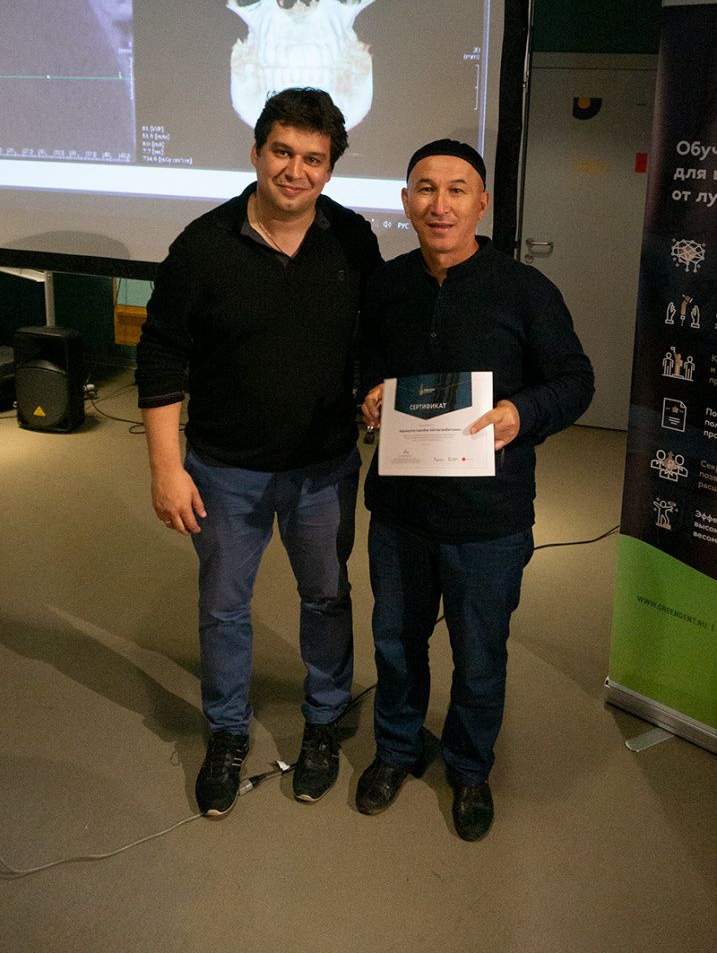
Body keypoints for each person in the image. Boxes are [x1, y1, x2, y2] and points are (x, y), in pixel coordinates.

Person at [135, 87, 381, 817]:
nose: (295, 171)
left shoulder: (353, 240)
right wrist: (166, 468)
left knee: (327, 598)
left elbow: (374, 337)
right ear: (255, 153)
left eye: (313, 158)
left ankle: (324, 722)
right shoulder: (201, 246)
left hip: (323, 468)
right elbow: (160, 357)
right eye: (282, 152)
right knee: (223, 608)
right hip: (223, 470)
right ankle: (227, 732)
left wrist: (375, 390)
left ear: (330, 168)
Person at [355, 139, 594, 840]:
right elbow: (362, 363)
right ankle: (397, 748)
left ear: (481, 203)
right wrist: (366, 393)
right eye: (425, 189)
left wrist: (523, 412)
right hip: (400, 511)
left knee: (480, 654)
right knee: (395, 643)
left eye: (457, 189)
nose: (440, 204)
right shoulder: (387, 286)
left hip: (489, 518)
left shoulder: (525, 290)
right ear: (406, 202)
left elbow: (574, 380)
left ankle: (467, 767)